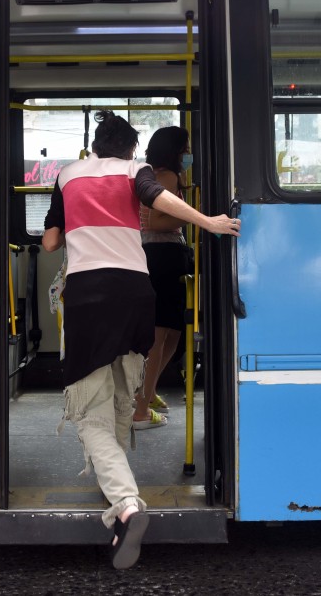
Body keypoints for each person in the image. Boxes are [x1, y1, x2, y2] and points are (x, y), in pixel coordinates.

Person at [42, 111, 240, 569]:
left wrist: (72, 227)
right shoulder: (136, 171)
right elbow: (158, 199)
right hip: (136, 295)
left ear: (95, 145)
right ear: (132, 148)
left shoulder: (67, 175)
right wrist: (209, 223)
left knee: (89, 416)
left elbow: (52, 243)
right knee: (116, 407)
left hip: (90, 300)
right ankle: (117, 512)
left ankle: (127, 506)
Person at [133, 126, 192, 430]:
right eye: (185, 148)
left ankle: (150, 391)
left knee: (172, 332)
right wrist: (192, 212)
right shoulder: (166, 176)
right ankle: (140, 409)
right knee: (159, 335)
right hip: (163, 255)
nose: (188, 153)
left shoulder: (154, 173)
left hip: (158, 255)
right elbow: (157, 220)